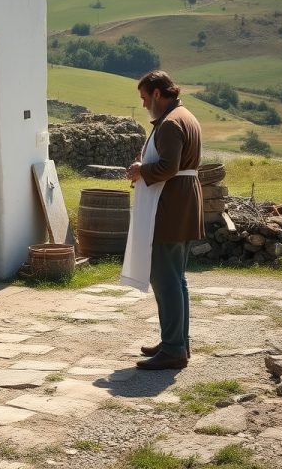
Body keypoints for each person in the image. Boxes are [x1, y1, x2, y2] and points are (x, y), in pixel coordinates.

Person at [122, 70, 204, 371]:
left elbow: (169, 167)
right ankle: (176, 341)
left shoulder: (170, 123)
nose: (144, 104)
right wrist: (144, 169)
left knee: (166, 280)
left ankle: (173, 349)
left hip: (170, 207)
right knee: (176, 280)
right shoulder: (185, 116)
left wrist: (141, 170)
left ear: (158, 93)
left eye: (145, 98)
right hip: (181, 203)